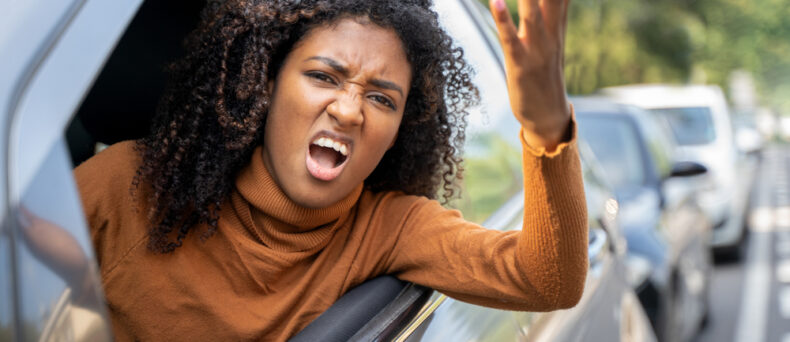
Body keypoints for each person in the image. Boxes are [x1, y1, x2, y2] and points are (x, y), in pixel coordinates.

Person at [74, 0, 588, 340]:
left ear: (398, 132)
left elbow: (548, 279)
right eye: (323, 76)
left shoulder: (388, 229)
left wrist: (547, 129)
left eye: (382, 99)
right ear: (267, 84)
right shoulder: (129, 185)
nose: (348, 110)